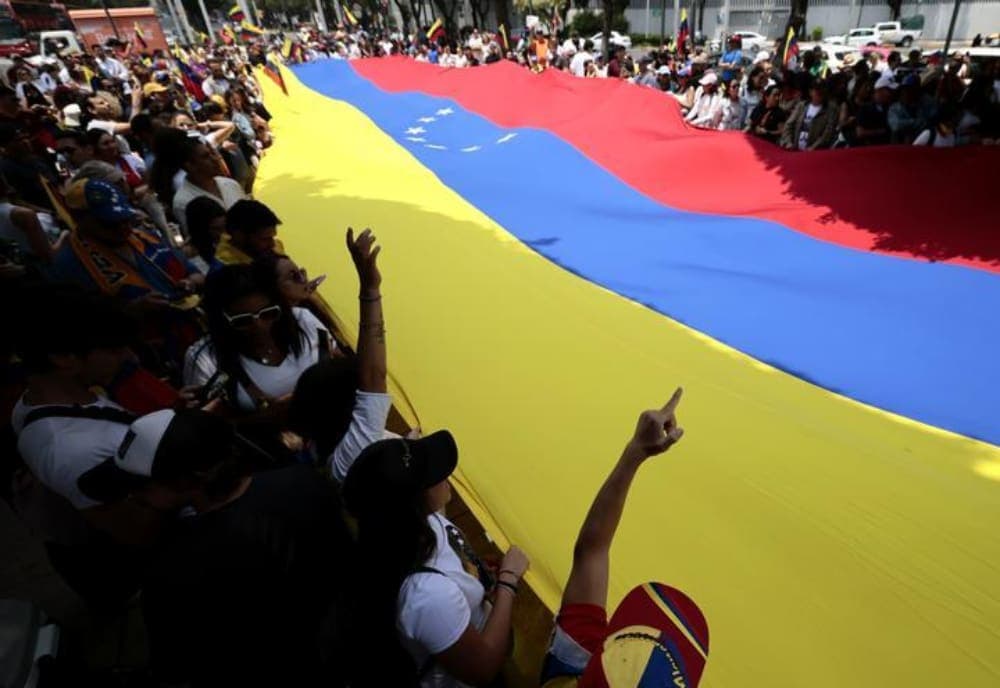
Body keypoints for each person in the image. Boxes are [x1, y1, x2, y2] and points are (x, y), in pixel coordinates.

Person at [76, 407, 353, 687]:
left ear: (188, 480)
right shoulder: (304, 480)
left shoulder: (174, 567)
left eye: (140, 487)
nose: (132, 496)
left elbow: (177, 667)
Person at [540, 388, 710, 687]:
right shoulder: (571, 665)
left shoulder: (571, 662)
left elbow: (592, 551)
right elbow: (592, 552)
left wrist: (636, 452)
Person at [340, 430, 530, 687]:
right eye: (431, 475)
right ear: (414, 504)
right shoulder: (427, 595)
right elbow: (482, 668)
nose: (445, 475)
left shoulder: (405, 530)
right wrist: (508, 581)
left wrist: (472, 569)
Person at [289, 228, 390, 481]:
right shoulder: (353, 453)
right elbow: (374, 375)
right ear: (351, 406)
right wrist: (370, 288)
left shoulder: (324, 446)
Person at [183, 263, 335, 414]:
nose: (260, 326)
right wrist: (264, 420)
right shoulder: (206, 359)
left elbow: (341, 363)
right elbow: (206, 425)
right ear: (221, 321)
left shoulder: (302, 320)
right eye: (242, 321)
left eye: (268, 313)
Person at [171, 136, 247, 237]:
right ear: (190, 165)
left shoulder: (230, 184)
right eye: (206, 157)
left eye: (212, 154)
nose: (215, 159)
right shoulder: (183, 201)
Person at [0, 174, 64, 264]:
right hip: (50, 264)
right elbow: (47, 255)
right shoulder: (22, 214)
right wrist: (65, 236)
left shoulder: (15, 208)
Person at [216, 198, 284, 264]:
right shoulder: (225, 269)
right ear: (239, 236)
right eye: (264, 239)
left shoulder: (274, 248)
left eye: (272, 237)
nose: (272, 244)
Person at [781, 80, 839, 150]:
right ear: (810, 92)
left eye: (822, 89)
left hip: (814, 154)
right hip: (795, 150)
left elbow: (827, 134)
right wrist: (788, 142)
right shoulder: (801, 106)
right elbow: (788, 125)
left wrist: (813, 148)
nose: (820, 92)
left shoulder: (831, 110)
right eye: (817, 90)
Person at [185, 196, 227, 273]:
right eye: (216, 229)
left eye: (224, 226)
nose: (223, 234)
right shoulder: (192, 255)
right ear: (201, 230)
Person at [855, 74, 895, 146]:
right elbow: (860, 133)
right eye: (889, 90)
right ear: (880, 90)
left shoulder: (890, 107)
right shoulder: (865, 109)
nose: (891, 94)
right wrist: (882, 131)